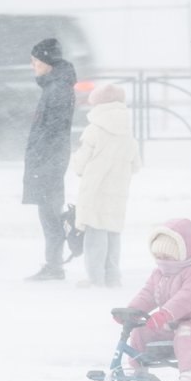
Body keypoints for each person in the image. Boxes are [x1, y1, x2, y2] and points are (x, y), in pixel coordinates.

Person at [125, 218, 191, 381]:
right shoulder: (159, 273)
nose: (162, 262)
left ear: (182, 254)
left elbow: (186, 298)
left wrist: (165, 314)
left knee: (186, 335)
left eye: (167, 257)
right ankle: (138, 372)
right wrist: (131, 311)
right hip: (172, 323)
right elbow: (147, 294)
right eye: (158, 257)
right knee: (139, 331)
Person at [71, 84, 141, 288]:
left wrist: (80, 166)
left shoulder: (95, 129)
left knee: (95, 234)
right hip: (118, 192)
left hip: (95, 189)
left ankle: (95, 278)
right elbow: (136, 165)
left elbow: (81, 162)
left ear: (98, 105)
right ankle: (112, 276)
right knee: (112, 232)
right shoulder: (127, 132)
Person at [23, 38, 77, 281]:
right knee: (49, 214)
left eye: (35, 61)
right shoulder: (55, 86)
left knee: (50, 216)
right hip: (48, 160)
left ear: (46, 62)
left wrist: (41, 162)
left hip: (49, 162)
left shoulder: (57, 90)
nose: (33, 65)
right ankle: (54, 264)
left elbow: (53, 130)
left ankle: (54, 267)